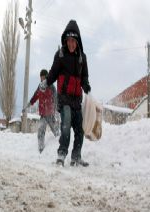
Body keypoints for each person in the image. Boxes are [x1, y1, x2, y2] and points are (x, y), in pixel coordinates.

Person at [39, 20, 91, 167]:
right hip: (64, 99)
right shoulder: (60, 55)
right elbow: (53, 73)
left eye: (74, 41)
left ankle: (76, 157)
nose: (71, 44)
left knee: (80, 130)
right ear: (65, 40)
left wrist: (86, 85)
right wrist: (46, 82)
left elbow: (84, 76)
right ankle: (61, 154)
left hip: (76, 100)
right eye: (68, 40)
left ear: (78, 41)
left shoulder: (82, 57)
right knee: (66, 124)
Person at [23, 69, 60, 153]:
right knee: (40, 130)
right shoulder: (40, 87)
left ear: (47, 77)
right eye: (41, 77)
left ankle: (59, 145)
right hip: (43, 114)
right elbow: (35, 97)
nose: (42, 78)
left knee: (56, 131)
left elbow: (56, 100)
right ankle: (41, 148)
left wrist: (56, 112)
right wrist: (28, 105)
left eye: (44, 77)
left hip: (50, 114)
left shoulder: (51, 86)